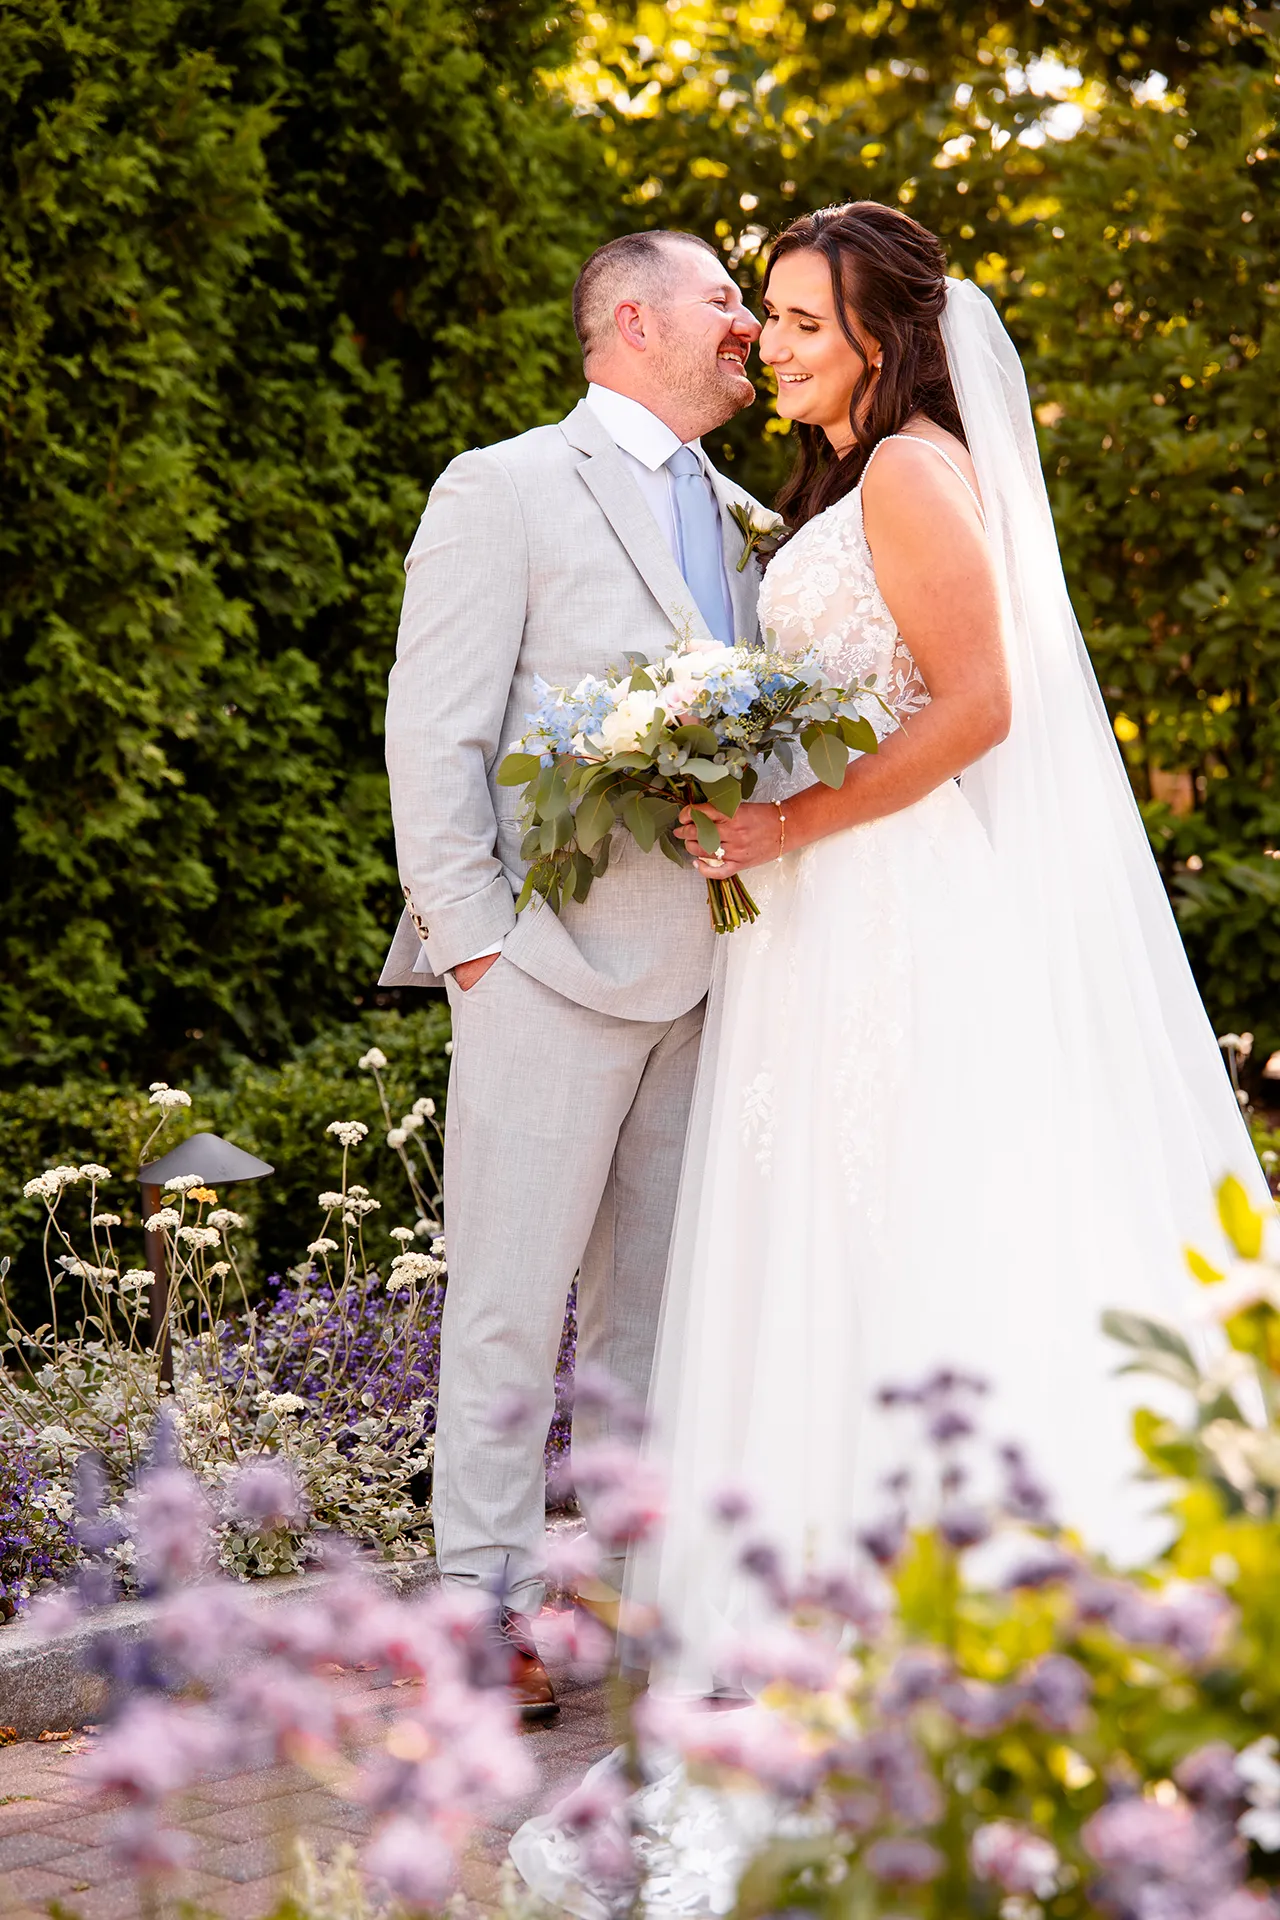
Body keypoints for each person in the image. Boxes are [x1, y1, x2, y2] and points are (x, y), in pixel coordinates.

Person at [634, 199, 1271, 1691]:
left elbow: (983, 707)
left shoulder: (916, 476)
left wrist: (797, 823)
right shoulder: (846, 482)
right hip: (822, 912)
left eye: (800, 321)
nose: (767, 343)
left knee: (905, 1214)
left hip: (893, 904)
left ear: (883, 335)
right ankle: (830, 1593)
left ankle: (970, 1613)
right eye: (766, 317)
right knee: (822, 1228)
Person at [380, 230, 774, 1719]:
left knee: (650, 1320)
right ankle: (473, 1615)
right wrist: (475, 941)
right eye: (724, 300)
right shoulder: (503, 488)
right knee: (502, 1302)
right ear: (632, 318)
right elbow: (438, 732)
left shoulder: (749, 523)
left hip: (712, 983)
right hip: (540, 969)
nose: (747, 325)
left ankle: (611, 1598)